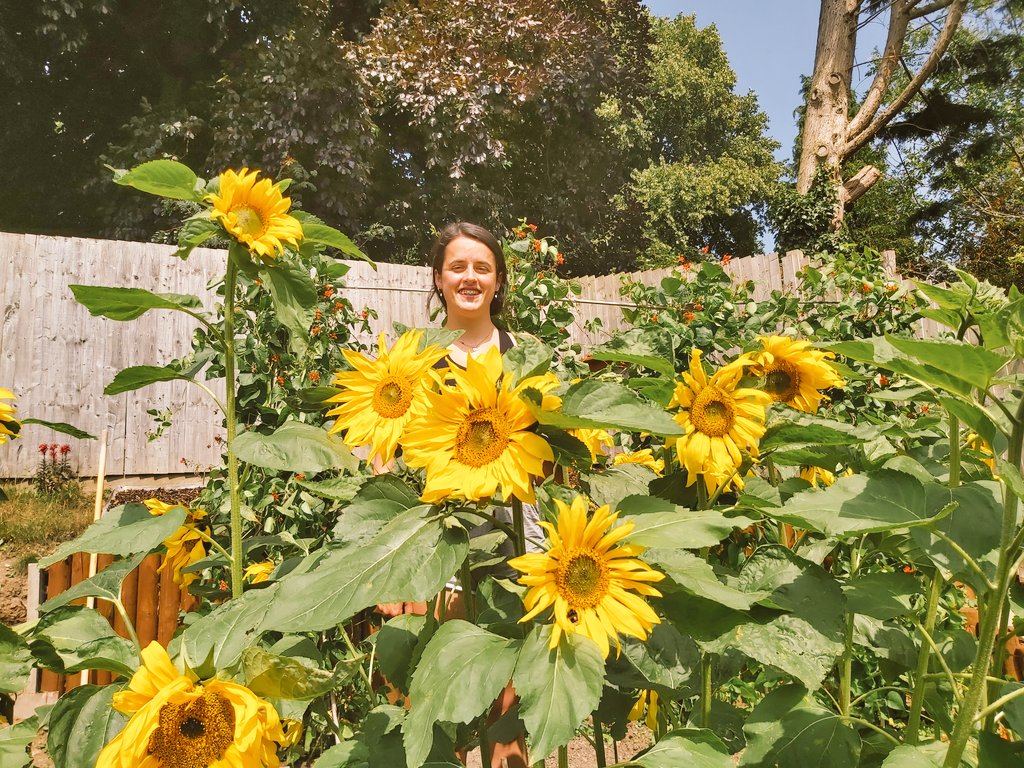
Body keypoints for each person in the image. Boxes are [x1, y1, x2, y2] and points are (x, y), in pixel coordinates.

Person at [381, 222, 531, 768]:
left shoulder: (524, 354)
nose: (470, 277)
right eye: (458, 267)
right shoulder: (414, 355)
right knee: (427, 699)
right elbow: (384, 457)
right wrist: (390, 567)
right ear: (439, 280)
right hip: (438, 542)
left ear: (498, 282)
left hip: (515, 541)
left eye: (482, 268)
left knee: (506, 699)